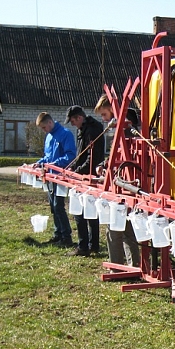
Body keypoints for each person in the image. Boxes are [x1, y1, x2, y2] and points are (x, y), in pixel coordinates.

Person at [93, 94, 140, 268]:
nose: (104, 120)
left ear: (112, 109)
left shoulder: (124, 128)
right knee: (127, 229)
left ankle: (116, 267)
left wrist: (108, 165)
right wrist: (105, 164)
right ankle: (134, 265)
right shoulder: (128, 126)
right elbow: (117, 153)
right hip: (129, 181)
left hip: (124, 183)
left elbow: (121, 154)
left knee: (114, 227)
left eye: (105, 114)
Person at [65, 105, 105, 256]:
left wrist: (76, 171)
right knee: (90, 211)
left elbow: (91, 157)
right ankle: (92, 245)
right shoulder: (84, 129)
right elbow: (80, 154)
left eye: (73, 121)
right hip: (84, 172)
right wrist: (73, 167)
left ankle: (84, 246)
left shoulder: (92, 130)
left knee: (81, 212)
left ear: (79, 118)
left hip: (88, 175)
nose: (72, 124)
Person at [34, 112, 76, 247]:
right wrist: (40, 162)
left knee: (59, 206)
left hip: (60, 176)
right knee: (53, 206)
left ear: (50, 123)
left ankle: (66, 236)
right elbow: (47, 156)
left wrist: (55, 163)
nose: (43, 130)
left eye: (44, 127)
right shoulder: (49, 137)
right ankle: (58, 233)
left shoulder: (65, 134)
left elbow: (70, 156)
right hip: (49, 176)